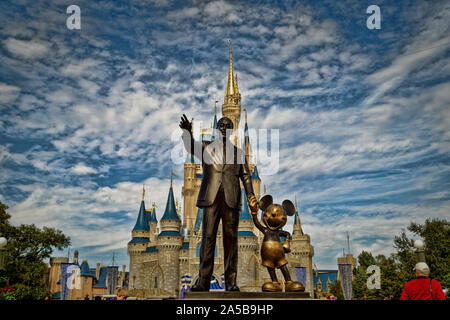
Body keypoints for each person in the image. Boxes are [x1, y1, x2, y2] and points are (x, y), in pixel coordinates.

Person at [179, 114, 258, 292]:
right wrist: (186, 132)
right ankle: (203, 281)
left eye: (226, 126)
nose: (223, 128)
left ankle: (231, 282)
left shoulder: (238, 152)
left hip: (231, 197)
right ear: (217, 129)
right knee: (207, 238)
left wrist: (251, 196)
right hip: (211, 197)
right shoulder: (206, 148)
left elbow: (246, 175)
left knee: (231, 241)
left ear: (231, 130)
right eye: (220, 125)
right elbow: (190, 146)